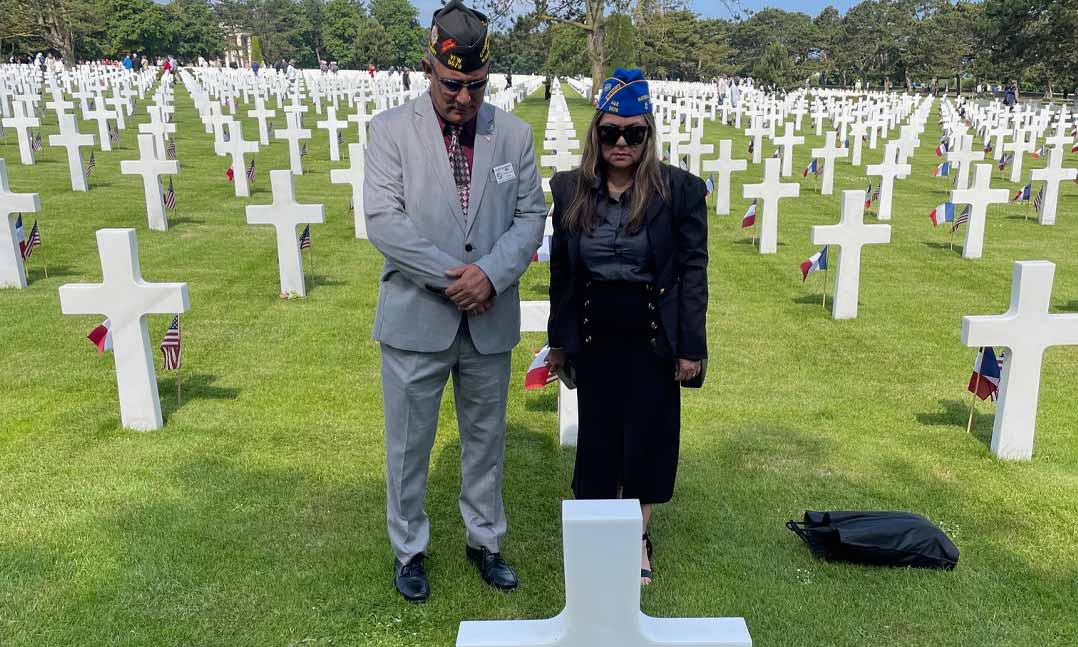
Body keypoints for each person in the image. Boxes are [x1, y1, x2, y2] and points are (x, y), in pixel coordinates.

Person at [364, 0, 546, 603]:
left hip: (488, 322)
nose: (463, 99)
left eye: (475, 85)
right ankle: (408, 549)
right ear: (427, 68)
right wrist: (455, 279)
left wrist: (489, 276)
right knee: (409, 444)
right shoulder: (390, 132)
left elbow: (529, 216)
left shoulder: (513, 134)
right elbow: (385, 223)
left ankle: (485, 541)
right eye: (452, 84)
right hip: (418, 319)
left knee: (486, 441)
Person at [545, 68, 709, 587]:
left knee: (648, 438)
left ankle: (637, 535)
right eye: (611, 131)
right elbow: (563, 272)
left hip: (652, 332)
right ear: (596, 132)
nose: (621, 142)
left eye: (633, 132)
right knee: (599, 438)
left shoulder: (679, 192)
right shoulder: (570, 189)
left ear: (649, 132)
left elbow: (691, 272)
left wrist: (691, 347)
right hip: (596, 332)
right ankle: (599, 534)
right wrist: (559, 343)